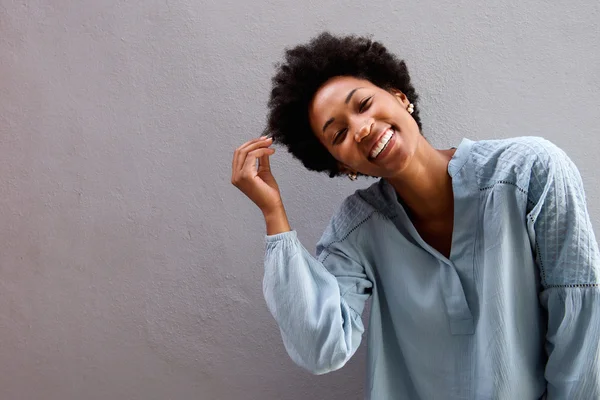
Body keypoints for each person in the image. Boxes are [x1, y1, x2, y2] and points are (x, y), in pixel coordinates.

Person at [231, 32, 600, 399]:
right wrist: (273, 213)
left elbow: (581, 325)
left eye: (363, 104)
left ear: (399, 97)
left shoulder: (530, 172)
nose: (361, 129)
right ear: (343, 166)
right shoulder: (356, 229)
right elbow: (321, 348)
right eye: (339, 134)